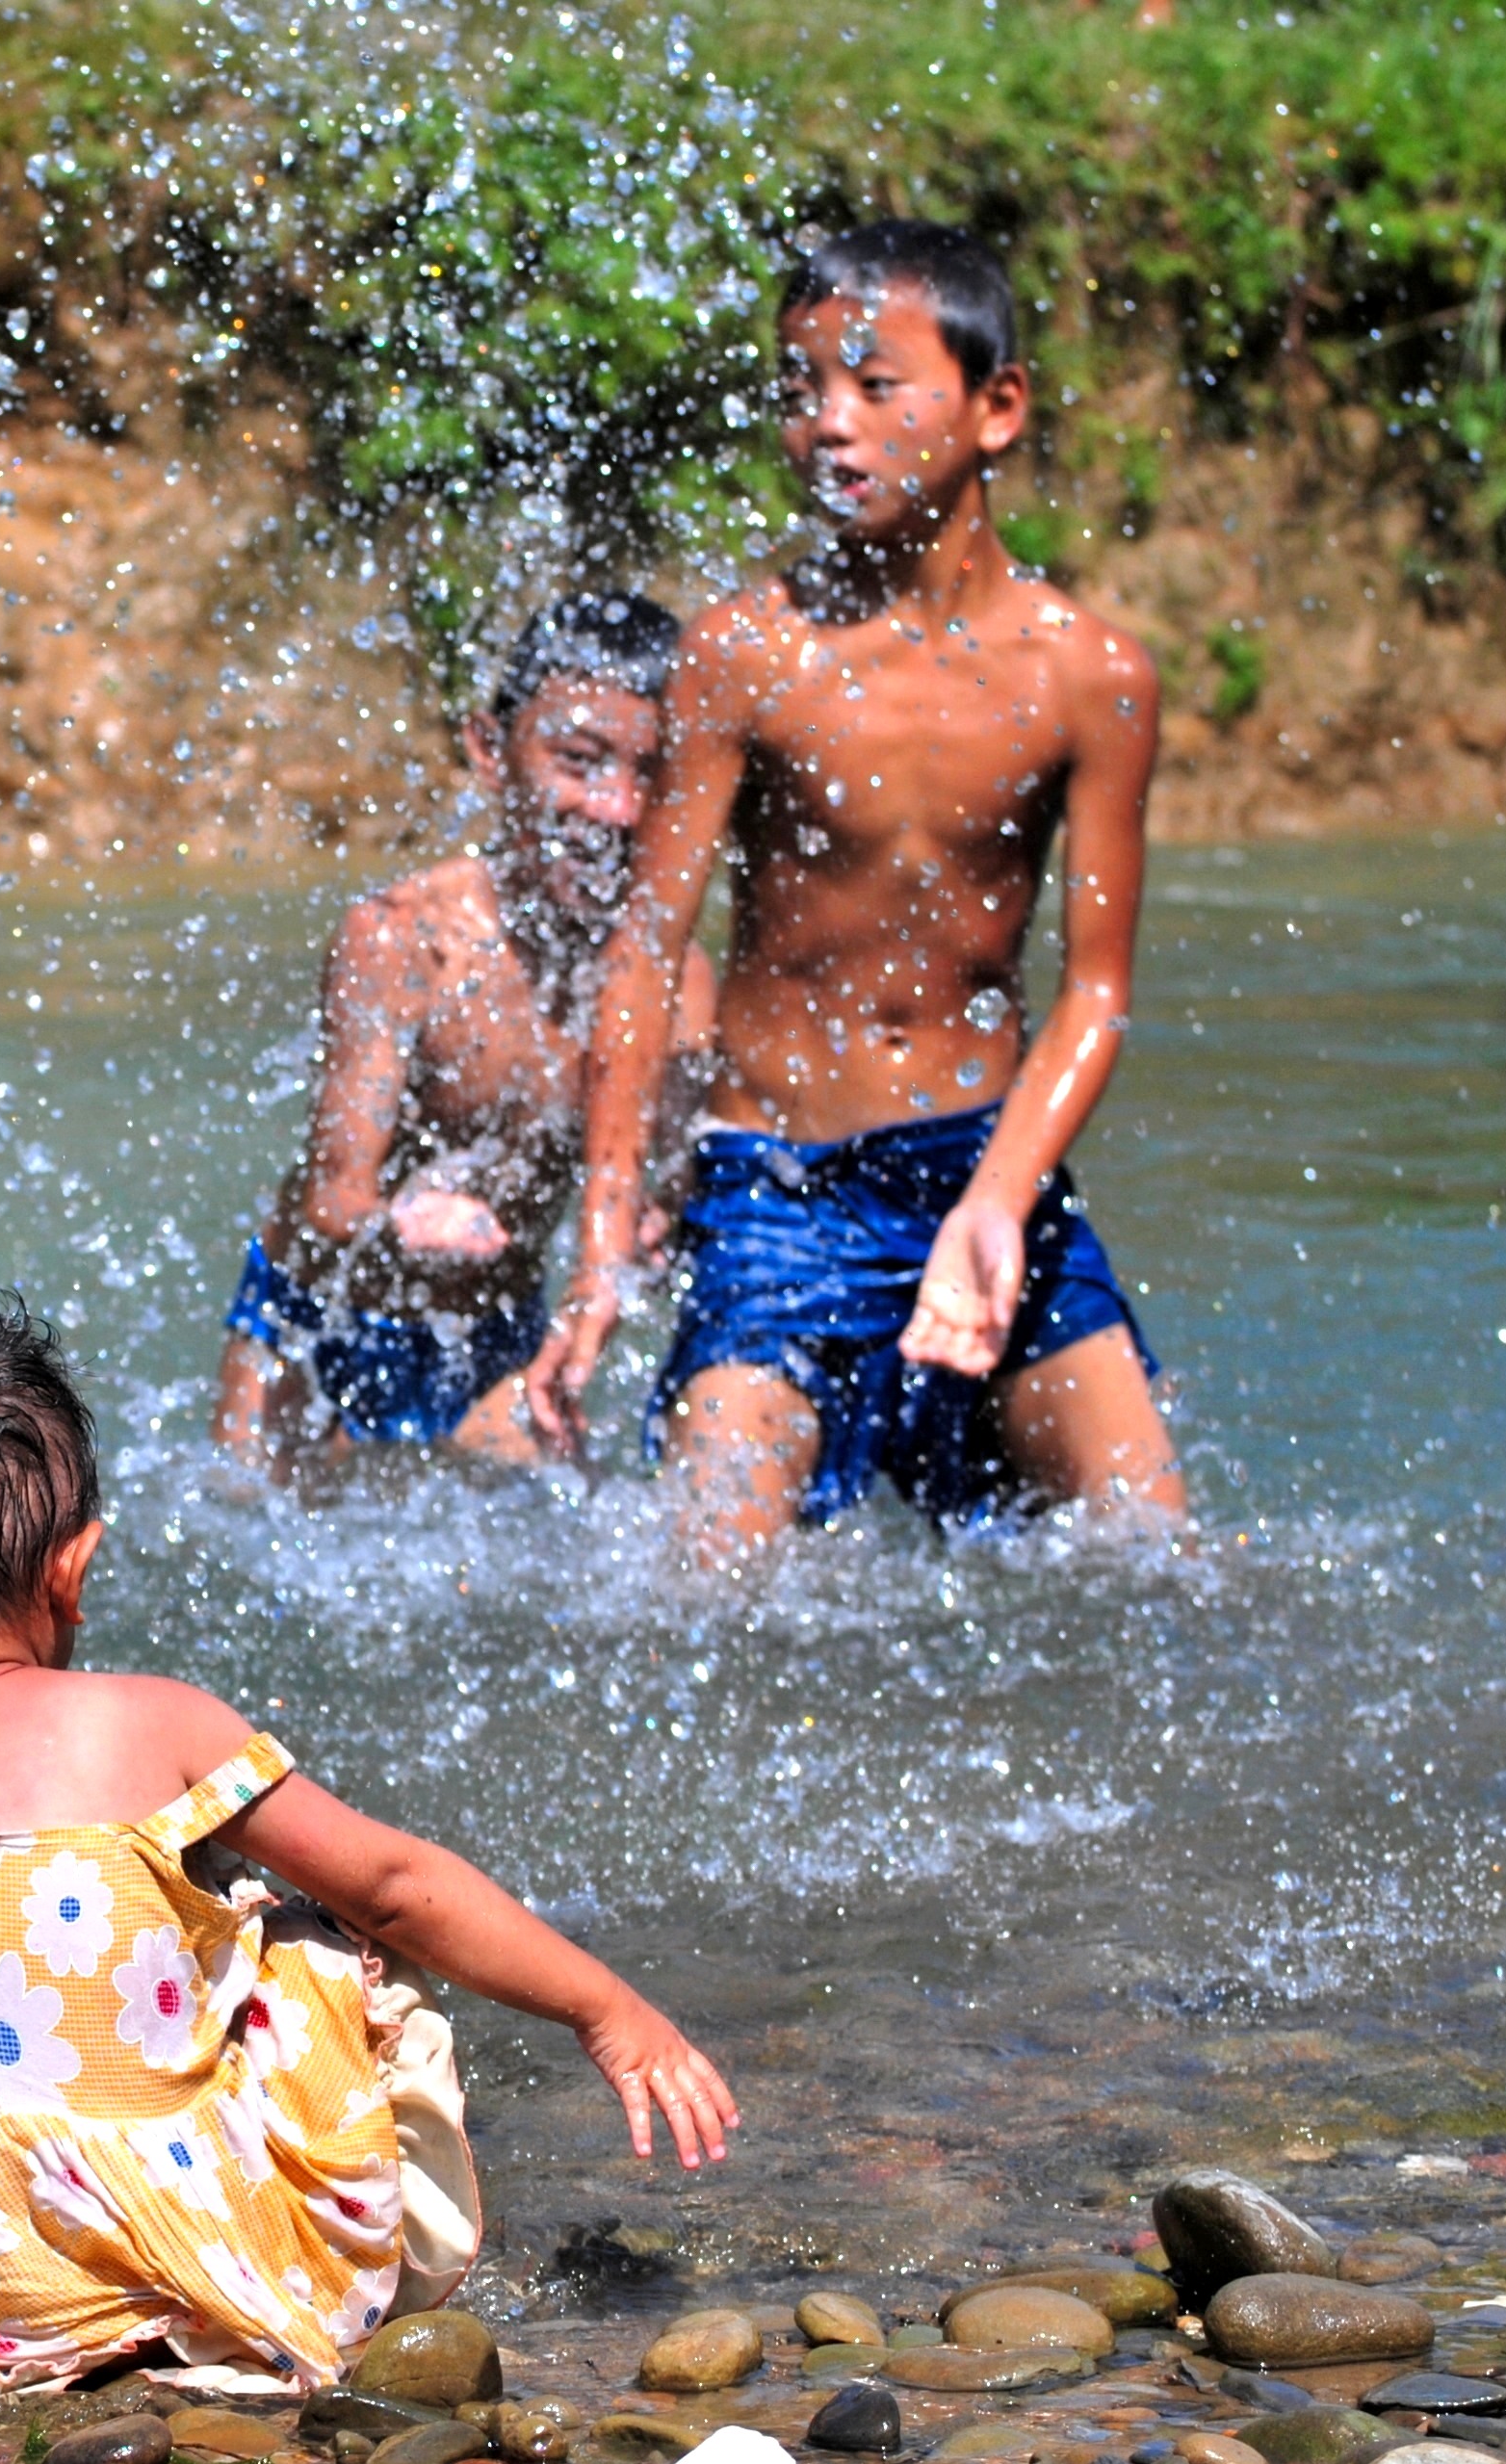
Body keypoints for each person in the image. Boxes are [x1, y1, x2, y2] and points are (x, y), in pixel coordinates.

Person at [0, 1288, 737, 2395]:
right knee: (311, 1933)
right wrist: (606, 2012)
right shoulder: (160, 1725)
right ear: (70, 1569)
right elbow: (397, 1885)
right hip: (186, 2262)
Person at [520, 220, 1187, 1551]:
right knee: (703, 1599)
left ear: (997, 409)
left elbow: (1096, 998)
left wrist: (995, 1205)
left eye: (876, 387)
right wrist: (602, 1252)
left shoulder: (1091, 677)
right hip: (778, 1191)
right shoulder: (741, 655)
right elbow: (646, 955)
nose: (828, 425)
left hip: (984, 1167)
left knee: (1165, 1569)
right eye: (798, 389)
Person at [212, 597, 720, 1472]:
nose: (617, 811)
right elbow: (335, 1195)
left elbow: (665, 1180)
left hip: (499, 1337)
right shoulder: (405, 940)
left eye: (654, 777)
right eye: (580, 764)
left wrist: (659, 1219)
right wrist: (401, 1222)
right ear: (491, 752)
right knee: (265, 1553)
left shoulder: (679, 981)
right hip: (320, 1321)